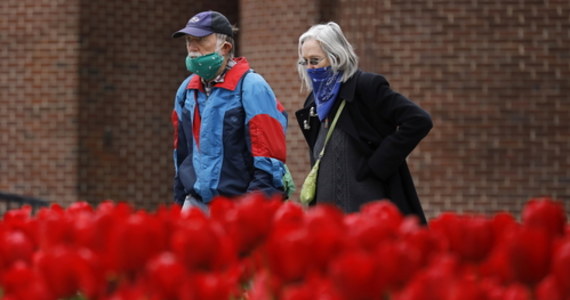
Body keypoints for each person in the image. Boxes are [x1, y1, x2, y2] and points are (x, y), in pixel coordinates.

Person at [295, 22, 432, 223]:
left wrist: (377, 165)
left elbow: (418, 120)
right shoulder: (314, 102)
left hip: (368, 210)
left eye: (314, 60)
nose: (309, 68)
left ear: (336, 57)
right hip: (327, 216)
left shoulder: (365, 87)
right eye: (304, 62)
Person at [171, 11, 289, 210]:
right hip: (195, 203)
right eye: (189, 40)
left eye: (199, 39)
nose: (192, 46)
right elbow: (181, 154)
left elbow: (269, 159)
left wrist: (252, 208)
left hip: (238, 206)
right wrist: (179, 201)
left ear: (225, 47)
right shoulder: (186, 91)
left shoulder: (252, 87)